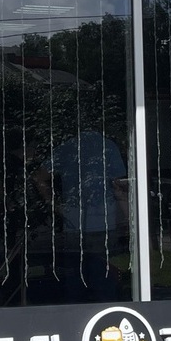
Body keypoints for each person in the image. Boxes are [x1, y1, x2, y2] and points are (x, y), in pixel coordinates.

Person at [34, 130, 129, 303]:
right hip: (98, 220)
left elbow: (40, 177)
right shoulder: (106, 146)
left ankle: (79, 310)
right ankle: (104, 309)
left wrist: (54, 204)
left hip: (79, 221)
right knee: (99, 275)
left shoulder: (69, 147)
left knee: (77, 276)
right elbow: (119, 184)